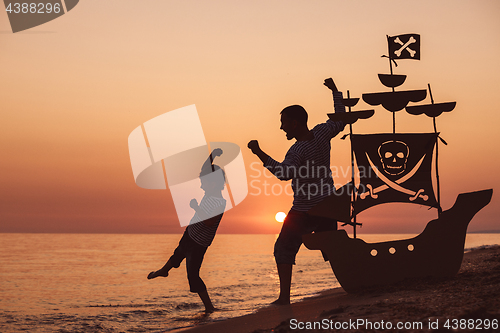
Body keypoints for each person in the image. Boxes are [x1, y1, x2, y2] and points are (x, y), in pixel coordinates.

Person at [247, 78, 346, 305]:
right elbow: (341, 120)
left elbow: (284, 173)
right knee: (331, 249)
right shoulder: (322, 132)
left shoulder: (298, 149)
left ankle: (284, 298)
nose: (281, 127)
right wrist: (335, 91)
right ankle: (354, 280)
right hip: (329, 206)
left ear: (294, 123)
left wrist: (258, 152)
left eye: (283, 122)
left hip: (305, 211)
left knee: (283, 248)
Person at [147, 148, 226, 313]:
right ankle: (164, 271)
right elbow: (204, 169)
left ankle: (209, 307)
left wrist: (197, 207)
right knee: (178, 253)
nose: (201, 183)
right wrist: (213, 155)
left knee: (193, 275)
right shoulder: (210, 193)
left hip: (199, 244)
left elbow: (210, 222)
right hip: (190, 234)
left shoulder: (219, 201)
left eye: (204, 181)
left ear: (213, 183)